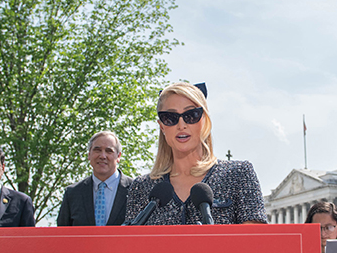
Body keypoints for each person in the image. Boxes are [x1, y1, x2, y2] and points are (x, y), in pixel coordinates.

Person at [124, 82, 267, 225]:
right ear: (162, 126)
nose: (181, 125)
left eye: (191, 115)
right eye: (170, 118)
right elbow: (129, 244)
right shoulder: (141, 187)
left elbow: (256, 243)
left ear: (204, 120)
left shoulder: (239, 175)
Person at [57, 131, 133, 226]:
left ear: (118, 156)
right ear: (89, 155)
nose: (102, 156)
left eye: (109, 151)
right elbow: (62, 236)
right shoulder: (72, 193)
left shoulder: (135, 190)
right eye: (97, 150)